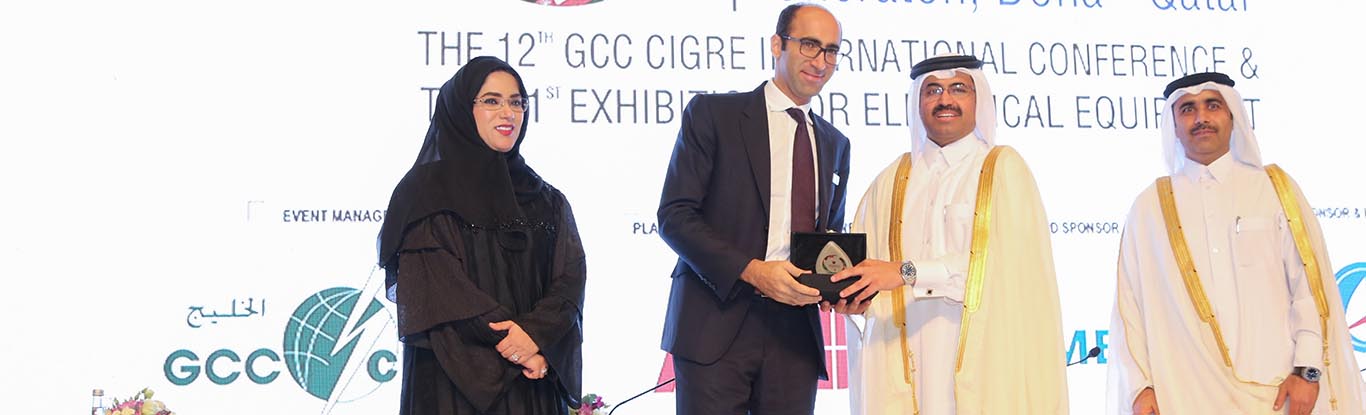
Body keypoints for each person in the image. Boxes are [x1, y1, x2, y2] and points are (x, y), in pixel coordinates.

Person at [1107, 72, 1365, 415]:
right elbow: (1130, 308)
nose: (1201, 117)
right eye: (1187, 109)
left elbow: (1308, 289)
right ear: (1174, 125)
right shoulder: (1149, 207)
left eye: (1212, 105)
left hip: (1278, 394)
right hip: (1184, 396)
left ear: (1232, 116)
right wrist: (1140, 388)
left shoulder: (1272, 189)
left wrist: (1307, 371)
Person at [830, 55, 1068, 414]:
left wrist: (906, 272)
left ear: (978, 99)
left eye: (959, 89)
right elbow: (866, 271)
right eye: (933, 90)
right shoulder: (889, 181)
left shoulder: (1003, 169)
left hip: (984, 366)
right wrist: (852, 297)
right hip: (906, 367)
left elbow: (1003, 268)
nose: (945, 100)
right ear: (917, 102)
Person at [655, 3, 851, 414]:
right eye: (809, 45)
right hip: (715, 323)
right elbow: (675, 216)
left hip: (795, 338)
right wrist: (753, 271)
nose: (821, 61)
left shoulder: (835, 144)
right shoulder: (714, 115)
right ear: (777, 45)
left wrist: (842, 286)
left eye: (831, 50)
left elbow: (827, 239)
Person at [378, 56, 585, 415]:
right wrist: (519, 347)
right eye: (492, 101)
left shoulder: (547, 199)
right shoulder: (424, 193)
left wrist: (536, 339)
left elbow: (569, 280)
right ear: (462, 109)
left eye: (516, 102)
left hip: (532, 385)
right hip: (453, 381)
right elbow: (441, 291)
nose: (508, 113)